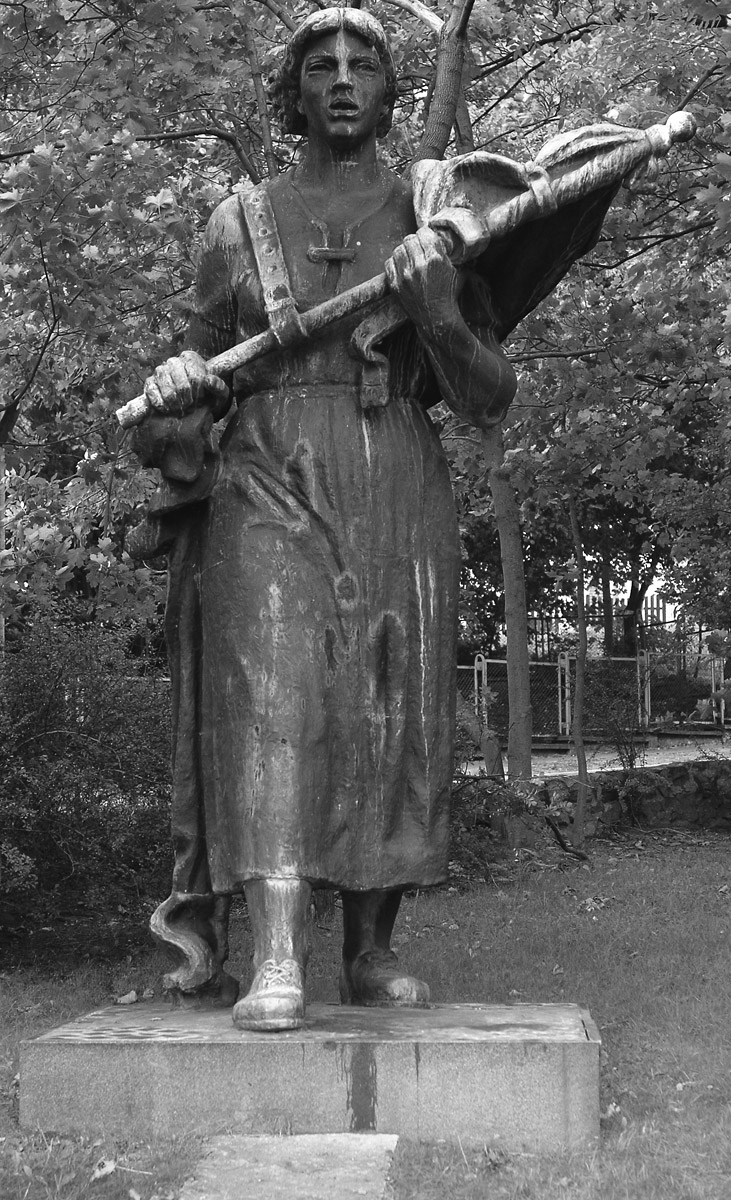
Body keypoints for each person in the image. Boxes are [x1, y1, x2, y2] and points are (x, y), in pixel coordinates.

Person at [134, 6, 517, 1032]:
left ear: (390, 94)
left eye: (363, 64)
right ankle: (275, 955)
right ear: (292, 93)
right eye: (320, 65)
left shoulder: (435, 212)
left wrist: (438, 311)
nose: (342, 78)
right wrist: (175, 389)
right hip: (267, 473)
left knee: (388, 705)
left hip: (394, 470)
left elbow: (488, 395)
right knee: (272, 697)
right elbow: (185, 402)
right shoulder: (238, 224)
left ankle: (370, 949)